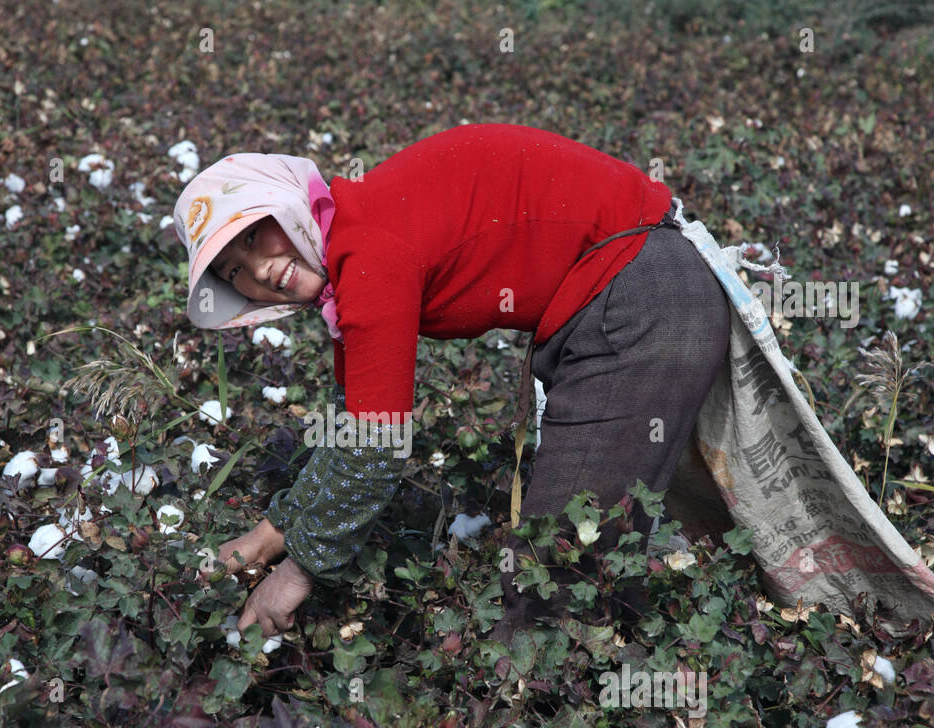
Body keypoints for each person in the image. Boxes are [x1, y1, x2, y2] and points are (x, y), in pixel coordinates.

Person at [171, 123, 732, 640]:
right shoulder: (354, 247)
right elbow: (355, 421)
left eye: (251, 239)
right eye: (235, 275)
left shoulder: (368, 253)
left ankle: (596, 713)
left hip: (642, 301)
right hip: (628, 297)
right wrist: (278, 528)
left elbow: (375, 448)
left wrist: (297, 573)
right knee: (581, 560)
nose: (260, 273)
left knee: (553, 582)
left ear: (285, 201)